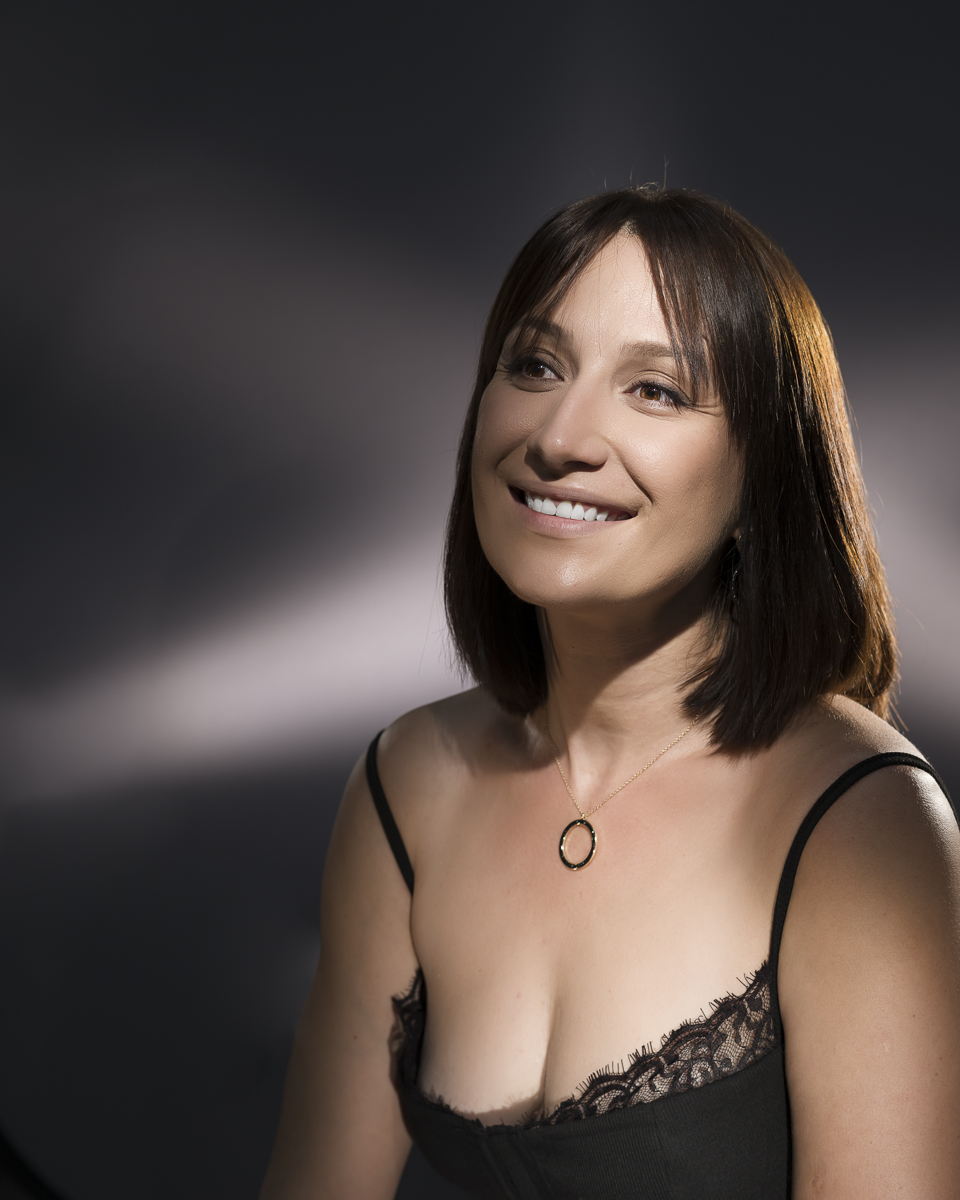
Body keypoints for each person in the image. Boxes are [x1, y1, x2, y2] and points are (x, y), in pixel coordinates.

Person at [258, 188, 960, 1199]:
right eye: (536, 366)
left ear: (764, 469)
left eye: (658, 392)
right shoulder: (407, 782)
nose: (562, 435)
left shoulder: (862, 820)